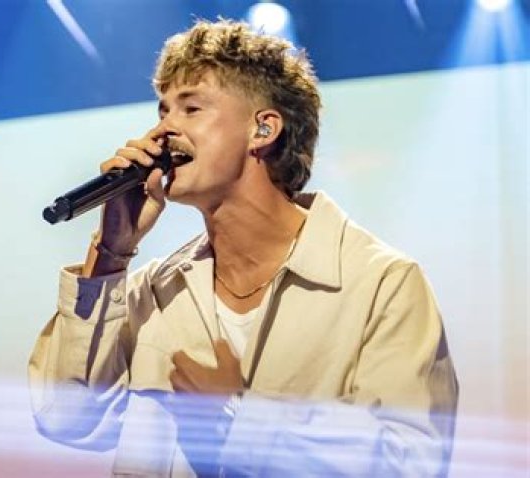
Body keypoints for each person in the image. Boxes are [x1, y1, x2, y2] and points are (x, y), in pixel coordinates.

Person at [28, 19, 458, 477]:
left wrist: (241, 415)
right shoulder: (158, 289)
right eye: (162, 112)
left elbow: (412, 464)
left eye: (191, 109)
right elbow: (66, 418)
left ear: (263, 129)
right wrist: (111, 252)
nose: (162, 131)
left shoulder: (380, 284)